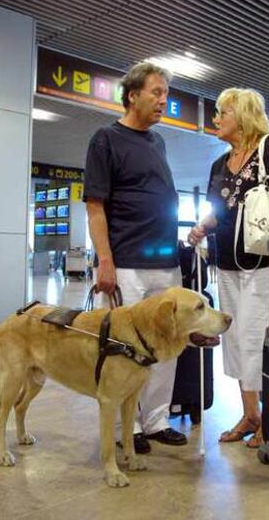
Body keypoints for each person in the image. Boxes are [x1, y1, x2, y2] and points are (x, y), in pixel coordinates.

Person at [83, 61, 186, 454]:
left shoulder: (158, 142)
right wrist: (104, 261)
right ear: (132, 95)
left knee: (169, 343)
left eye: (165, 94)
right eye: (156, 93)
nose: (164, 101)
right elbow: (95, 206)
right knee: (124, 349)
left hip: (166, 262)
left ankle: (156, 419)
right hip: (126, 262)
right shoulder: (105, 140)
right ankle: (127, 428)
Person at [188, 88, 269, 448]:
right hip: (227, 264)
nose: (216, 118)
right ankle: (250, 414)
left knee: (259, 339)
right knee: (234, 339)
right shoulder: (219, 164)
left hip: (265, 263)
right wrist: (202, 228)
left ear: (244, 115)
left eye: (222, 112)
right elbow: (216, 210)